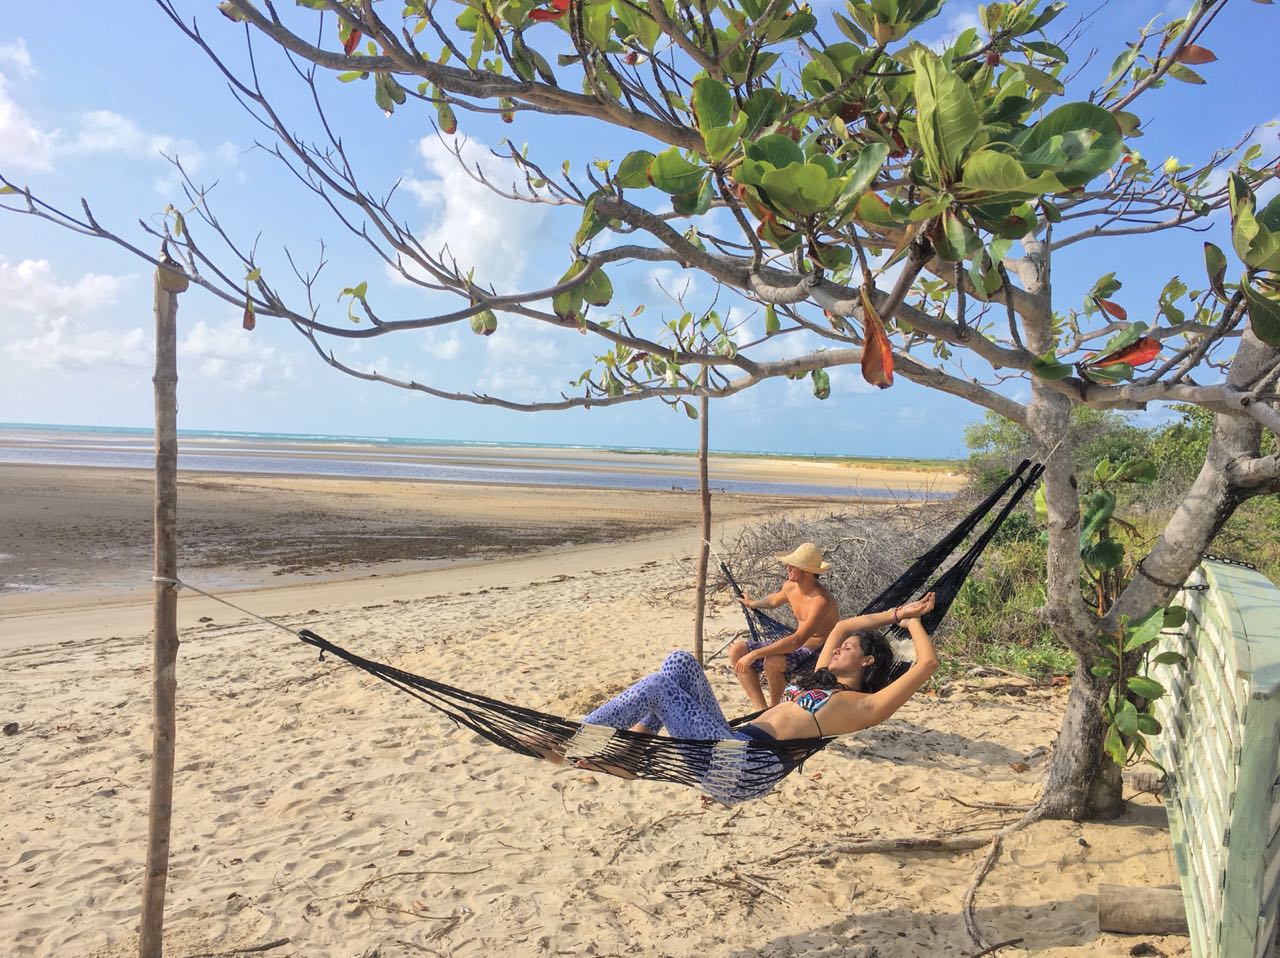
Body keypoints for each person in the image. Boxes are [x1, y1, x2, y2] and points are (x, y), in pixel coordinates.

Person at [530, 593, 937, 804]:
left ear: (867, 660)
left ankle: (575, 738)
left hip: (745, 768)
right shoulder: (822, 678)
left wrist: (917, 623)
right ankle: (630, 755)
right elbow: (847, 622)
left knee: (658, 688)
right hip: (731, 744)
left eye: (847, 648)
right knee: (679, 663)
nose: (836, 648)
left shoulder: (864, 707)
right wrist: (900, 611)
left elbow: (927, 663)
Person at [728, 542, 841, 711]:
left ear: (807, 572)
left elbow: (796, 640)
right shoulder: (791, 586)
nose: (787, 567)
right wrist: (753, 603)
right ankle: (760, 709)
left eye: (793, 566)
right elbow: (774, 600)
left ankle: (775, 709)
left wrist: (754, 654)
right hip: (797, 647)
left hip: (817, 653)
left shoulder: (821, 601)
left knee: (772, 661)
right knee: (736, 651)